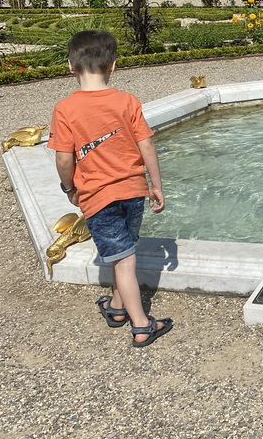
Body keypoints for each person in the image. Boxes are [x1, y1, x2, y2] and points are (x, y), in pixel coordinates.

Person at [47, 30, 173, 347]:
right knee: (125, 252)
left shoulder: (65, 109)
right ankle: (118, 309)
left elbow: (64, 158)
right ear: (113, 66)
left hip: (98, 197)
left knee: (123, 261)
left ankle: (141, 326)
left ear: (70, 67)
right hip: (132, 192)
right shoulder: (127, 102)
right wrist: (155, 185)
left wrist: (69, 188)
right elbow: (147, 147)